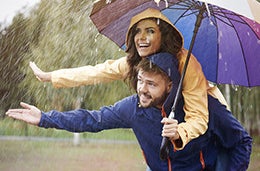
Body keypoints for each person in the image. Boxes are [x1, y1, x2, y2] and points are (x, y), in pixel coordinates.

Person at [6, 53, 252, 171]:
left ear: (170, 85)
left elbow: (241, 142)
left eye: (151, 84)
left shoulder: (205, 106)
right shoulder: (132, 108)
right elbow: (92, 119)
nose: (142, 90)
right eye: (140, 80)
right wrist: (44, 118)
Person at [29, 8, 229, 150]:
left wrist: (180, 132)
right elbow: (96, 72)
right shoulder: (135, 62)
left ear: (163, 36)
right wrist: (51, 76)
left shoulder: (185, 63)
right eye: (137, 31)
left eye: (150, 31)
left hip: (204, 123)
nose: (141, 37)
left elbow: (199, 118)